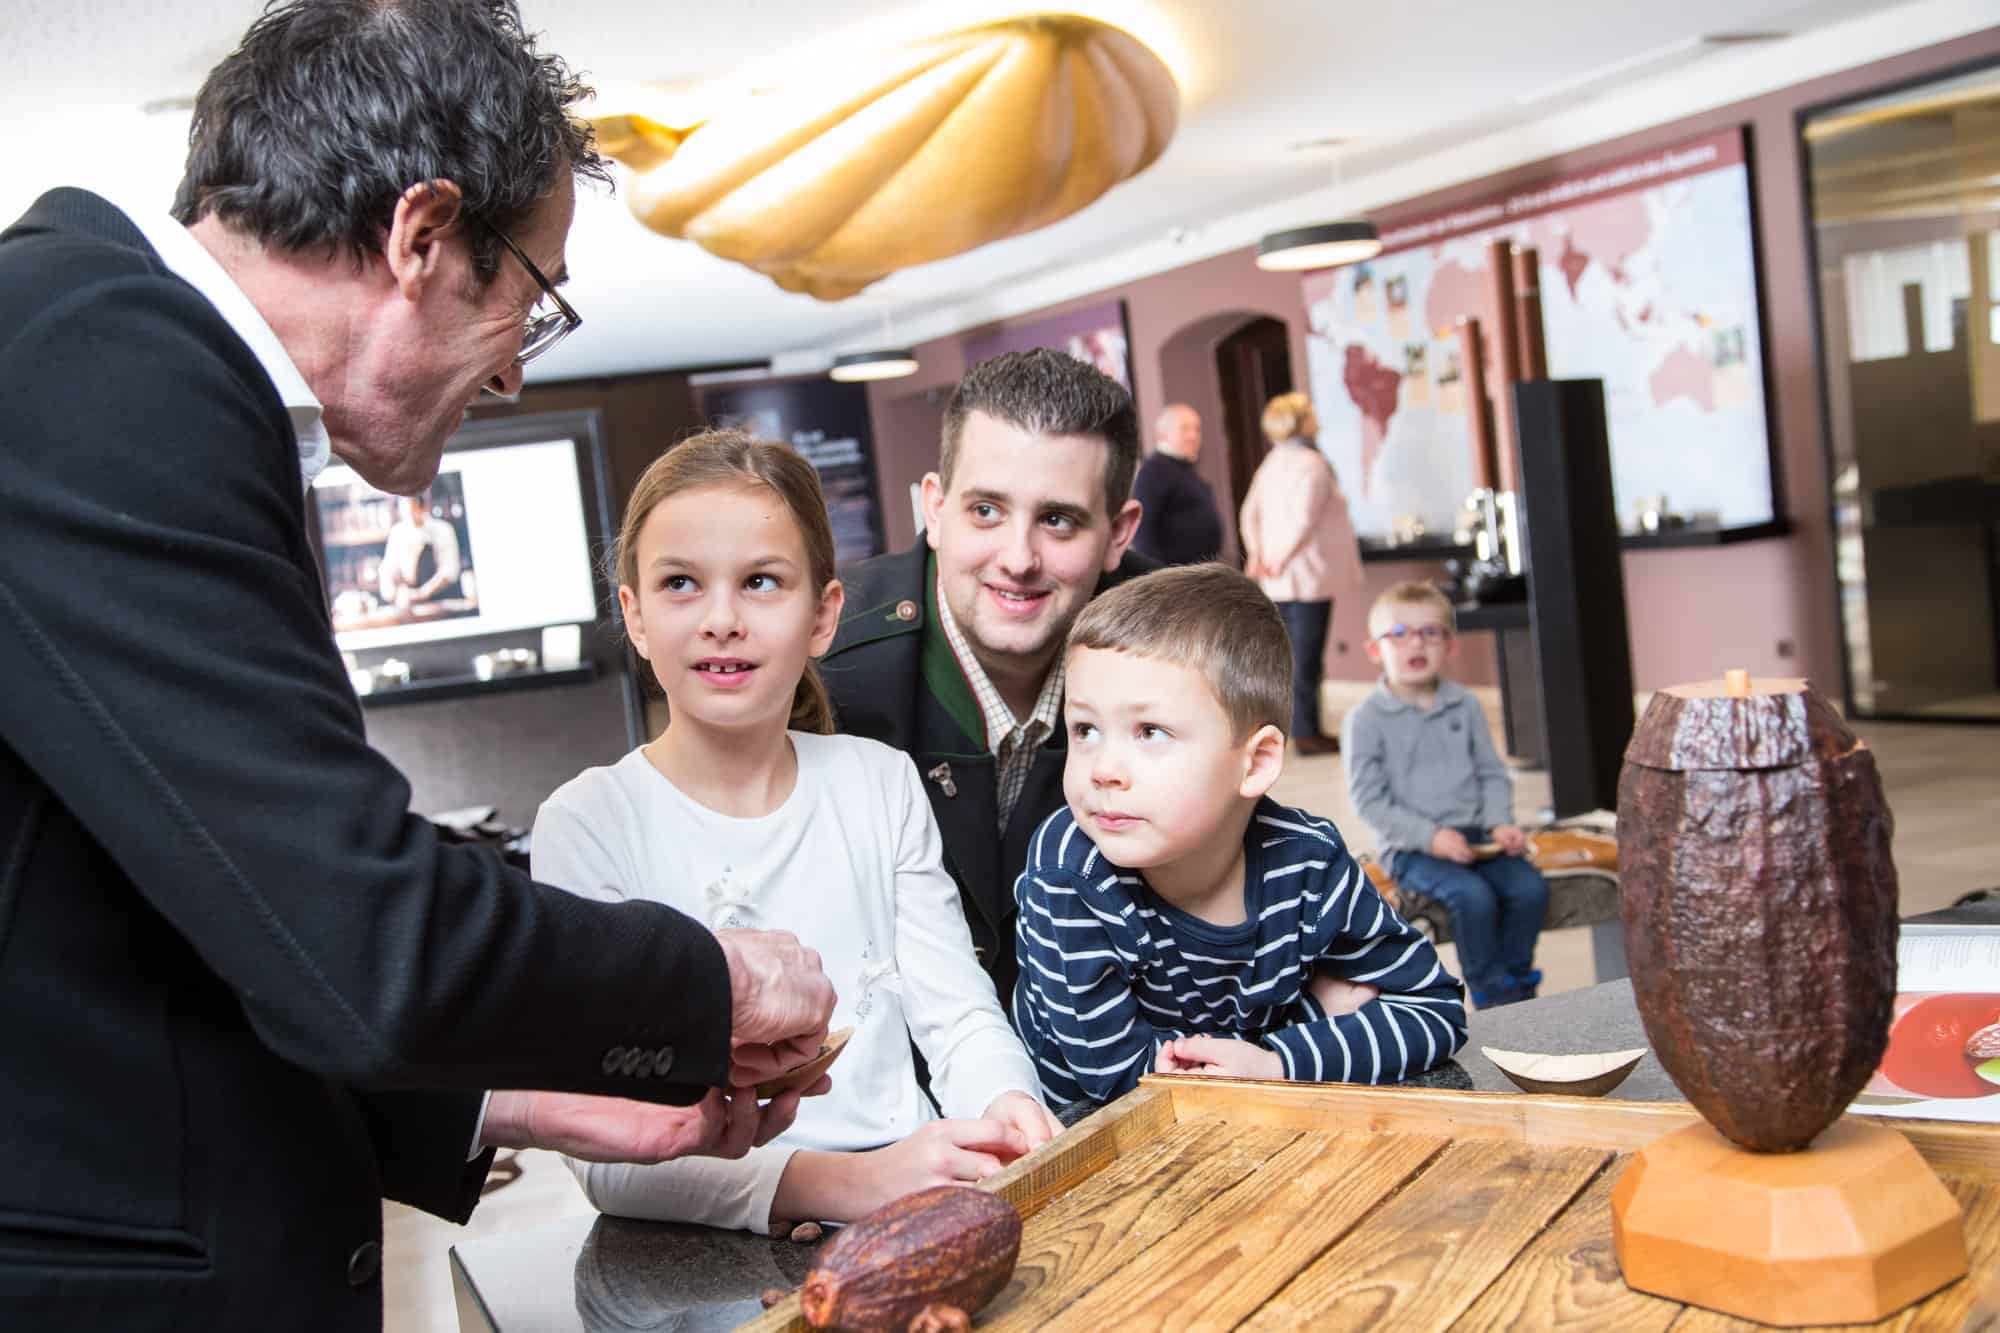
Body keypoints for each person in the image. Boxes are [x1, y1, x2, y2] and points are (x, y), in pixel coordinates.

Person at [0, 4, 834, 1329]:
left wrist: (504, 1094)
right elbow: (361, 934)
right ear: (423, 237)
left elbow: (185, 917)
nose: (512, 372)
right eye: (531, 302)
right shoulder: (105, 358)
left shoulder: (105, 346)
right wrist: (713, 986)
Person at [532, 432, 1060, 1233]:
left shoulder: (878, 781)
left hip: (915, 1198)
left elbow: (958, 1014)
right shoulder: (590, 821)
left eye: (761, 583)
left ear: (823, 615)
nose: (721, 619)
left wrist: (1010, 1107)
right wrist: (828, 1184)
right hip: (708, 1245)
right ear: (634, 617)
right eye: (681, 583)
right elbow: (608, 1148)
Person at [1012, 564, 1468, 1109]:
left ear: (1255, 763)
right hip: (1087, 1136)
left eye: (1150, 732)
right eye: (1085, 729)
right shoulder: (1071, 872)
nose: (1103, 769)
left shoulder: (1307, 862)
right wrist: (1317, 1020)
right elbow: (1118, 1081)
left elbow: (1435, 1006)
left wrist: (1279, 1062)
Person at [820, 349, 1152, 1003]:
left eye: (1059, 519)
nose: (1019, 558)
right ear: (935, 509)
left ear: (1119, 532)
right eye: (987, 511)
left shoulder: (1185, 654)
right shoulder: (824, 660)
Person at [1341, 581, 1549, 1008]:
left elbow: (1492, 773)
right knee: (1472, 897)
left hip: (1478, 834)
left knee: (1529, 888)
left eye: (1430, 632)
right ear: (1375, 650)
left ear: (1449, 646)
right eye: (1399, 633)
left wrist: (1499, 821)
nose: (1416, 642)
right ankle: (1491, 989)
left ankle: (1518, 980)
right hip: (1411, 847)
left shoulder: (1465, 705)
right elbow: (1370, 800)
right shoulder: (1366, 720)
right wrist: (1430, 837)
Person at [1238, 391, 1364, 757]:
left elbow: (1250, 514)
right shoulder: (1312, 463)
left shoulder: (1271, 462)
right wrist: (1278, 557)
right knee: (1305, 658)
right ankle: (1307, 734)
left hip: (1276, 577)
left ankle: (1298, 728)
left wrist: (1260, 555)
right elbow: (1305, 520)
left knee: (1290, 657)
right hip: (1305, 577)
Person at [1130, 403, 1224, 566]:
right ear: (1163, 435)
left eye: (1197, 429)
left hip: (1198, 574)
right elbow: (1143, 533)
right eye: (1185, 429)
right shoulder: (1154, 471)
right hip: (1175, 579)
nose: (1193, 436)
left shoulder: (1183, 469)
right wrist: (1160, 577)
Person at [379, 489, 465, 608]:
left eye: (412, 508)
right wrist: (393, 593)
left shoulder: (443, 530)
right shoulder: (398, 532)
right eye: (405, 509)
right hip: (410, 602)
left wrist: (423, 593)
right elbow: (387, 569)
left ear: (424, 507)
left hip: (442, 600)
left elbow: (449, 571)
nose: (410, 518)